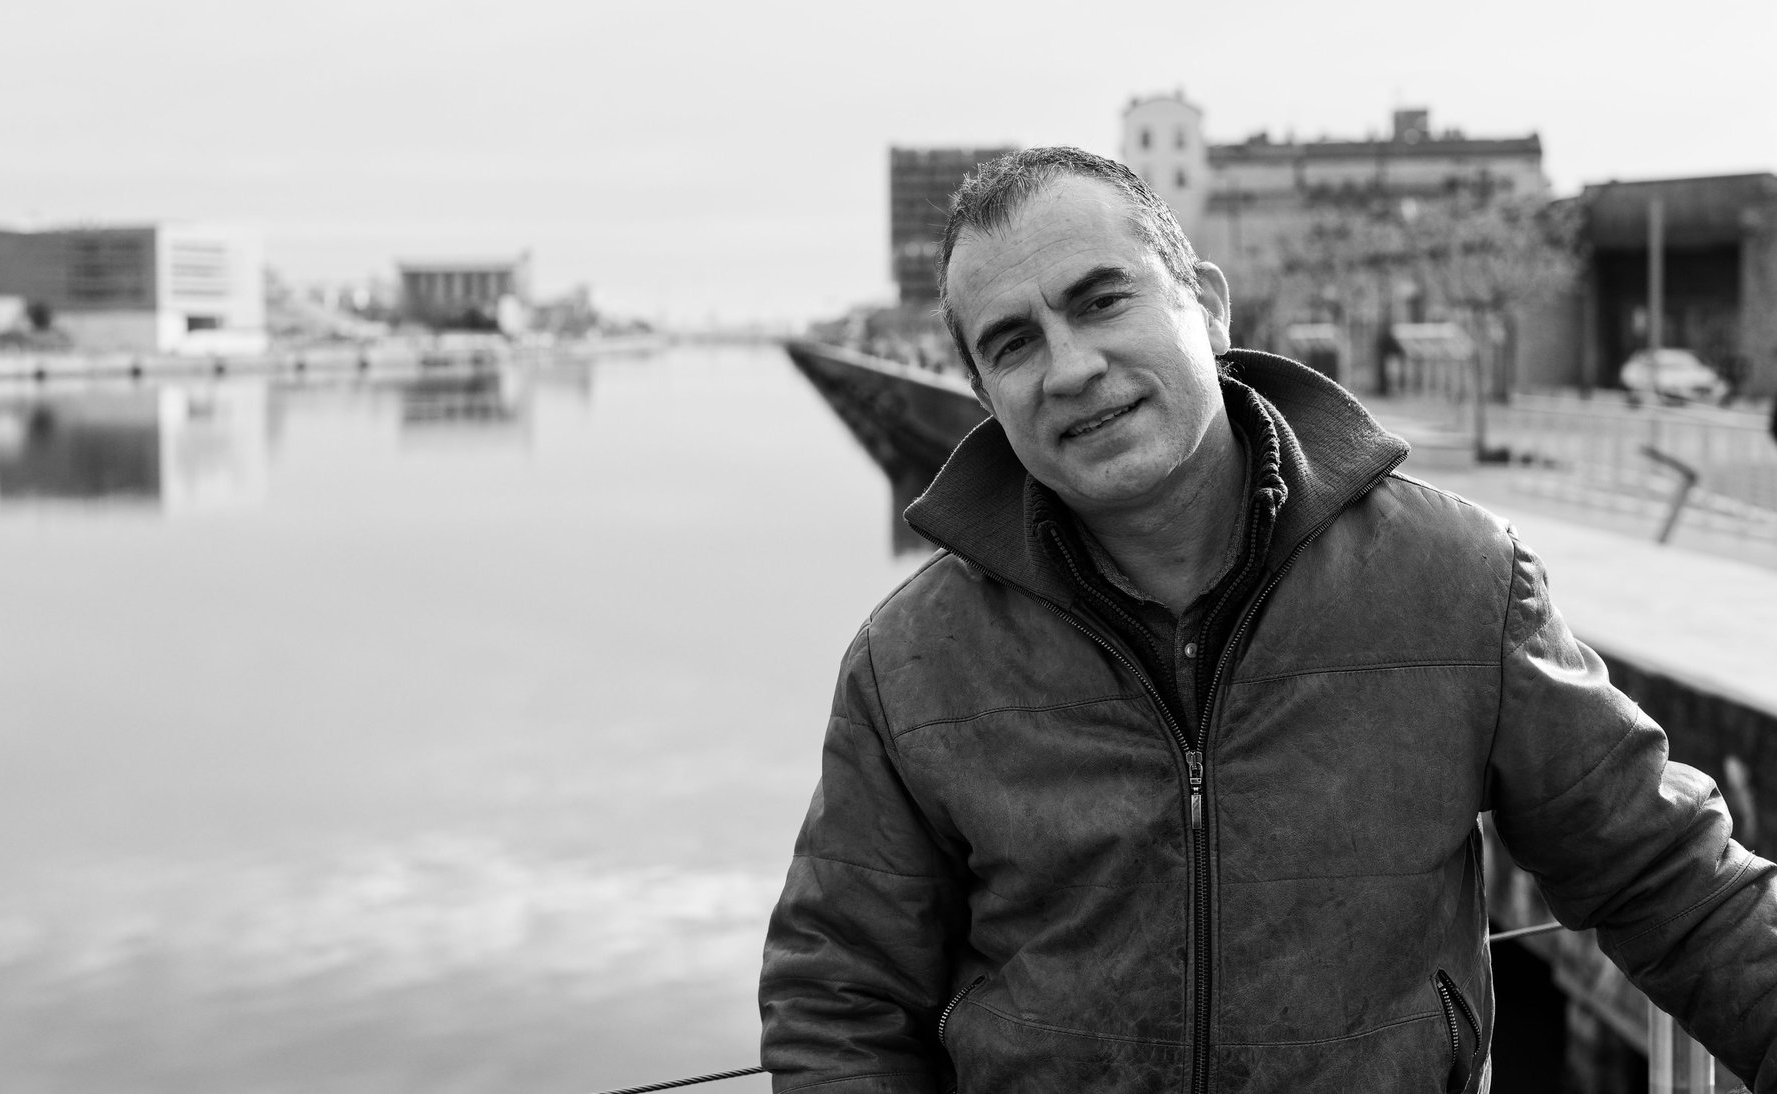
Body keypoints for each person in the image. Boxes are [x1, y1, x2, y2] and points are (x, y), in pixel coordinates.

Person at [757, 147, 1777, 1093]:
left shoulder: (1458, 579)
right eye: (1014, 343)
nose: (1070, 368)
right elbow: (840, 1001)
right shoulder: (912, 662)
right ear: (984, 393)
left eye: (1101, 301)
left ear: (1206, 305)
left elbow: (1670, 880)